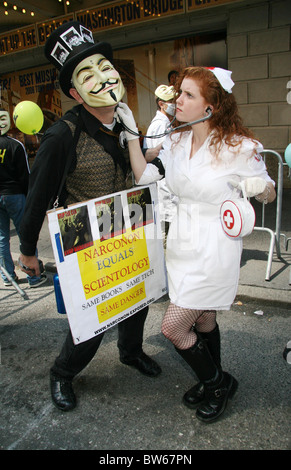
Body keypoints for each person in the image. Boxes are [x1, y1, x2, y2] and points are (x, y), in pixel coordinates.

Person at [116, 66, 276, 423]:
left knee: (172, 327)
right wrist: (130, 134)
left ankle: (218, 383)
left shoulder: (240, 147)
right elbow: (144, 175)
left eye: (188, 95)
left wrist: (255, 187)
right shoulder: (175, 141)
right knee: (203, 319)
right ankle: (211, 381)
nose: (178, 101)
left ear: (210, 106)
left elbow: (269, 189)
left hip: (216, 244)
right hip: (183, 242)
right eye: (179, 93)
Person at [18, 21, 161, 412]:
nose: (102, 78)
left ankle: (130, 352)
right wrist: (28, 250)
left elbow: (144, 171)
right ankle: (63, 372)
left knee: (137, 300)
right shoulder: (61, 135)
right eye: (87, 74)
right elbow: (36, 198)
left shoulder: (127, 123)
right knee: (92, 322)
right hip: (86, 241)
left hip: (131, 230)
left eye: (105, 67)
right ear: (74, 93)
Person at [0, 108, 47, 288]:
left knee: (2, 238)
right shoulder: (15, 145)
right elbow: (25, 176)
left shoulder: (15, 145)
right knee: (25, 235)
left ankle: (8, 277)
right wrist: (30, 200)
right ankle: (33, 277)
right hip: (15, 195)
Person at [143, 85, 178, 234]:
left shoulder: (165, 123)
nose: (174, 104)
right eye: (170, 101)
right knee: (168, 223)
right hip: (163, 181)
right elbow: (161, 155)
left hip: (166, 180)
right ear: (161, 104)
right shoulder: (160, 125)